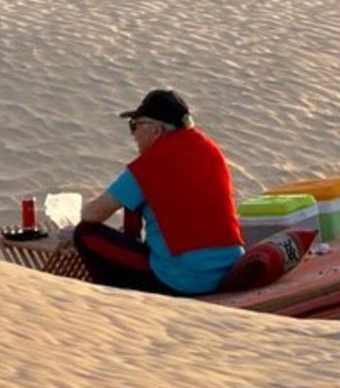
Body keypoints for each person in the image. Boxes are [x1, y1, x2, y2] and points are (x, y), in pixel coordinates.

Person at [75, 89, 244, 295]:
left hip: (184, 280)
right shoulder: (212, 152)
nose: (134, 135)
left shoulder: (151, 165)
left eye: (135, 126)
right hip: (229, 268)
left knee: (85, 234)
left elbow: (92, 214)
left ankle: (115, 301)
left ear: (156, 129)